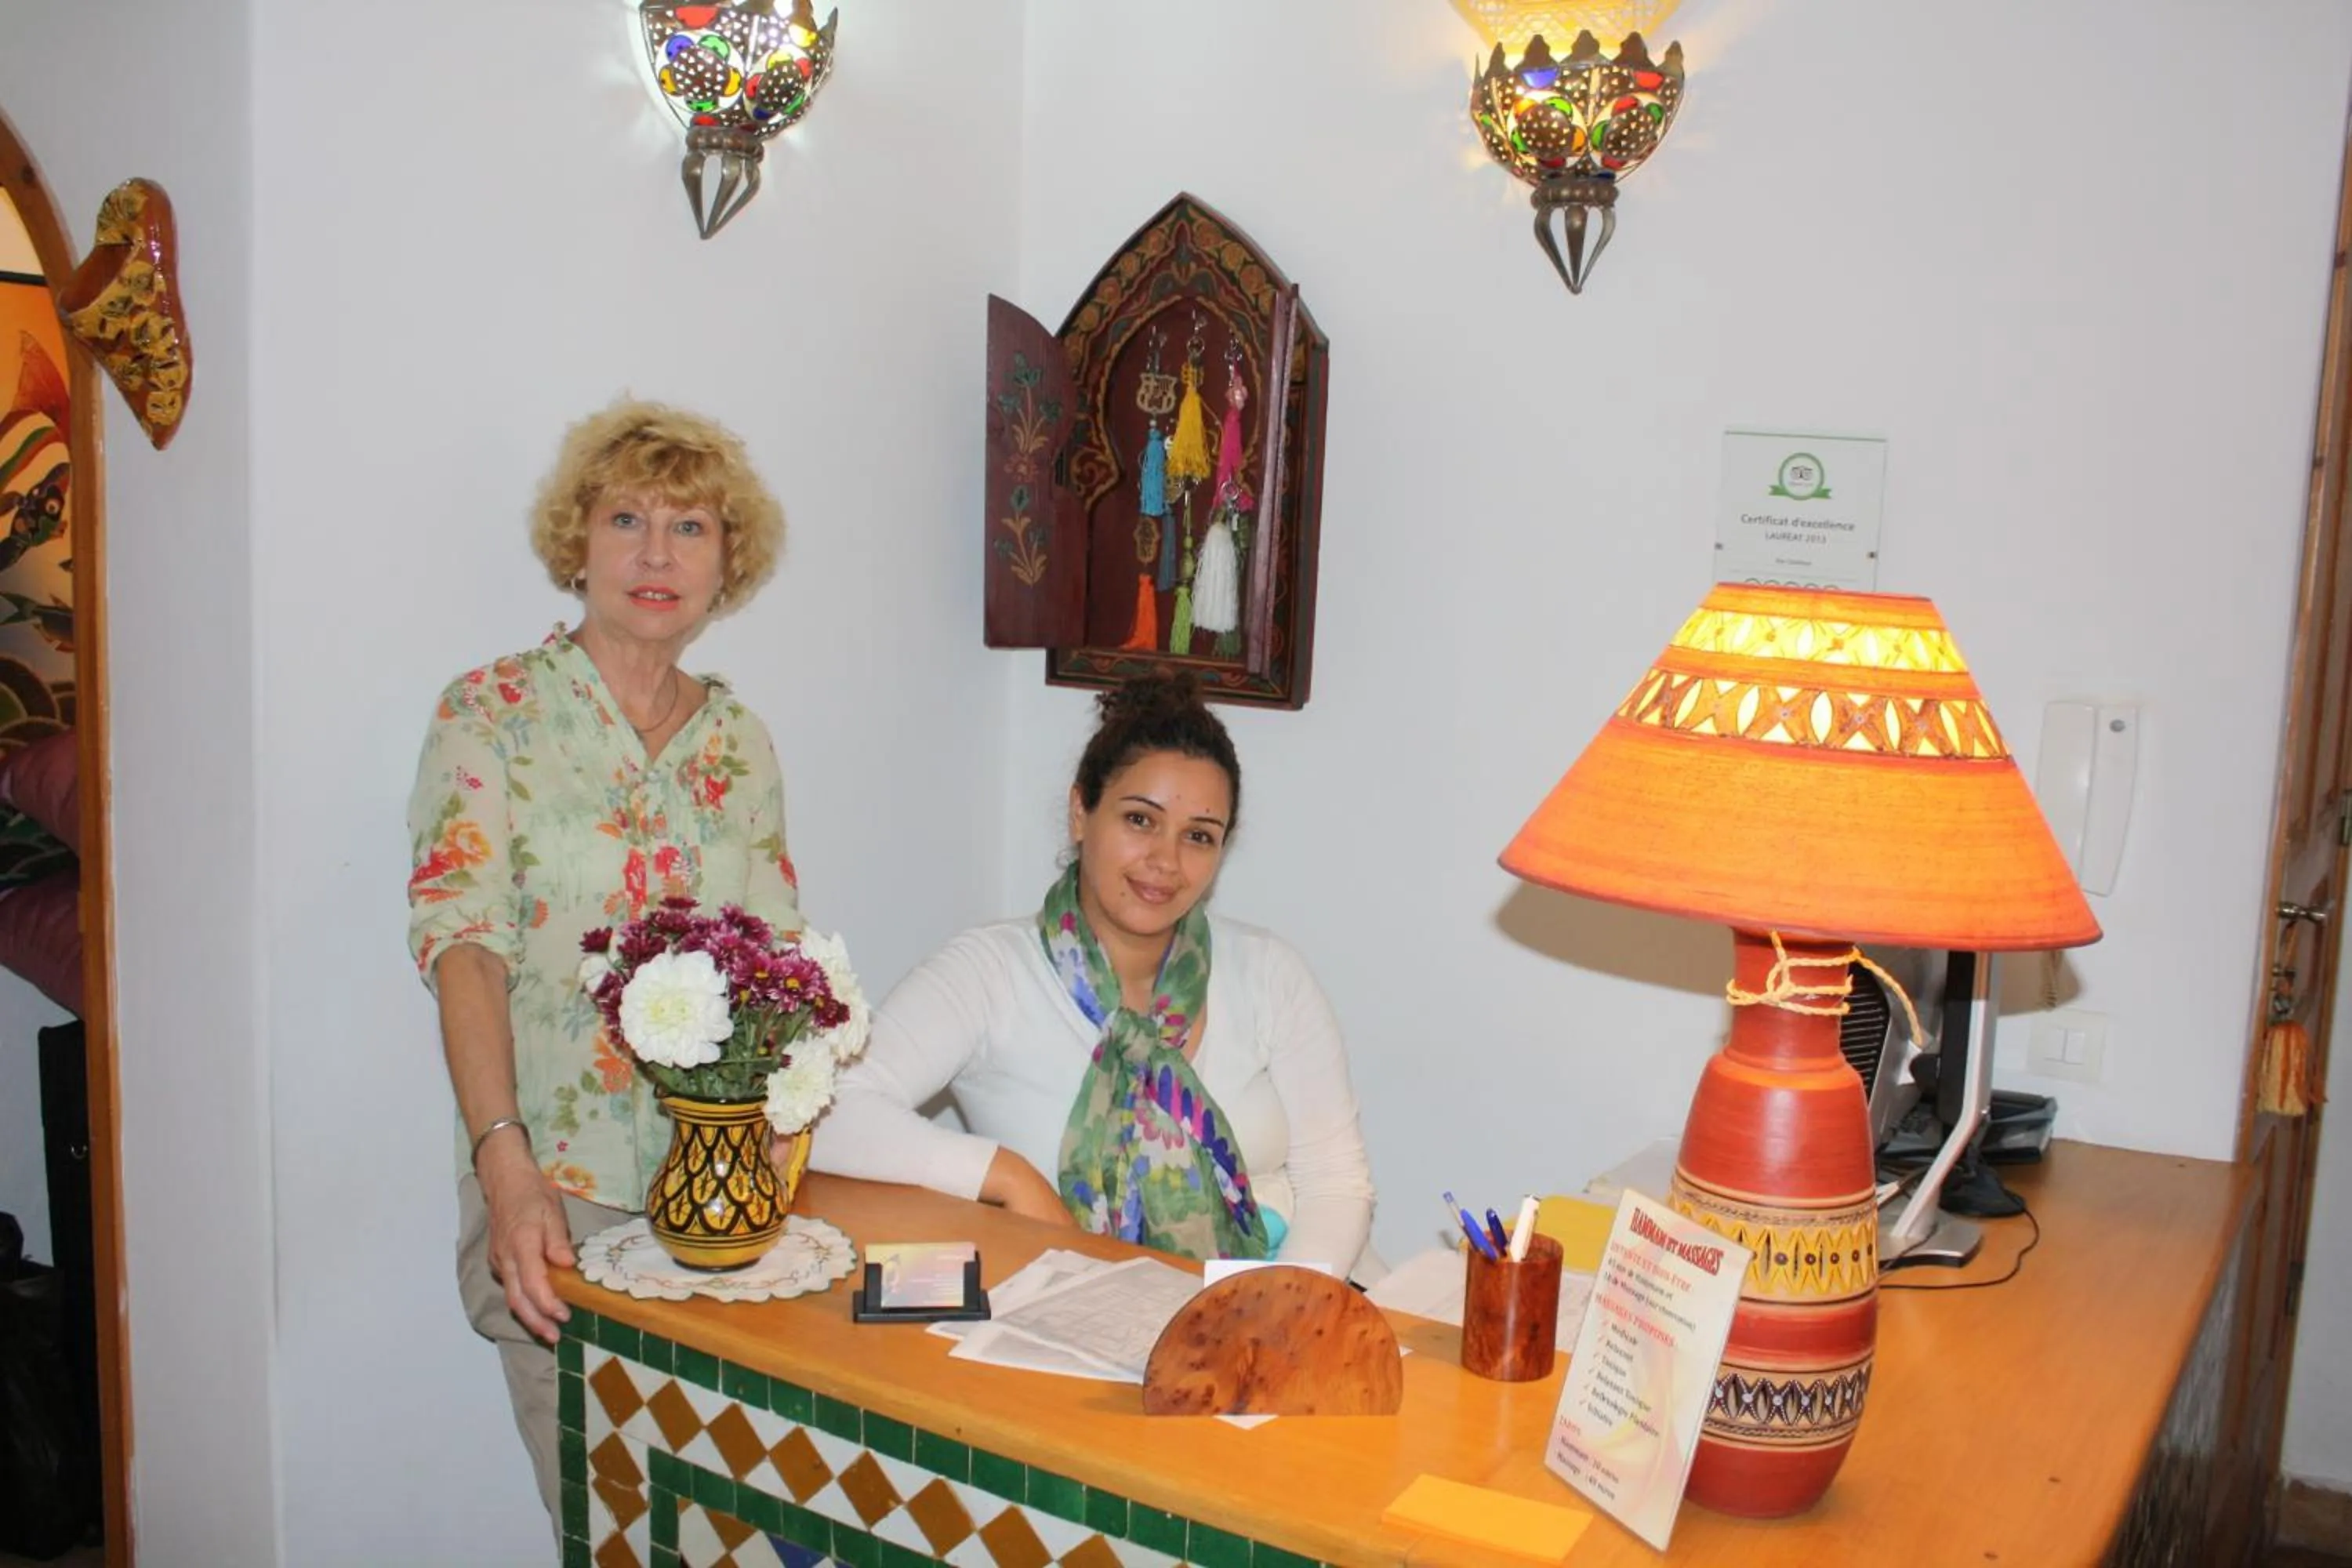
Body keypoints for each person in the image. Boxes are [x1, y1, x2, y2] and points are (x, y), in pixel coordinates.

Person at [405, 399, 800, 1525]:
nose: (656, 554)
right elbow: (462, 950)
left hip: (718, 1206)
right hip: (557, 1200)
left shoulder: (742, 743)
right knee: (621, 1530)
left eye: (691, 527)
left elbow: (777, 977)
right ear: (577, 543)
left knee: (736, 1528)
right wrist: (505, 1166)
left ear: (730, 561)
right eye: (627, 518)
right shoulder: (494, 715)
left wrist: (780, 1152)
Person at [812, 674, 1377, 1275]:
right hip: (1074, 1309)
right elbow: (826, 1113)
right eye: (1140, 820)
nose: (1165, 861)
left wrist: (1278, 1312)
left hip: (1287, 1298)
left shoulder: (1269, 973)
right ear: (1081, 813)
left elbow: (1337, 1182)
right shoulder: (991, 972)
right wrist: (1006, 1175)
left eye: (1199, 837)